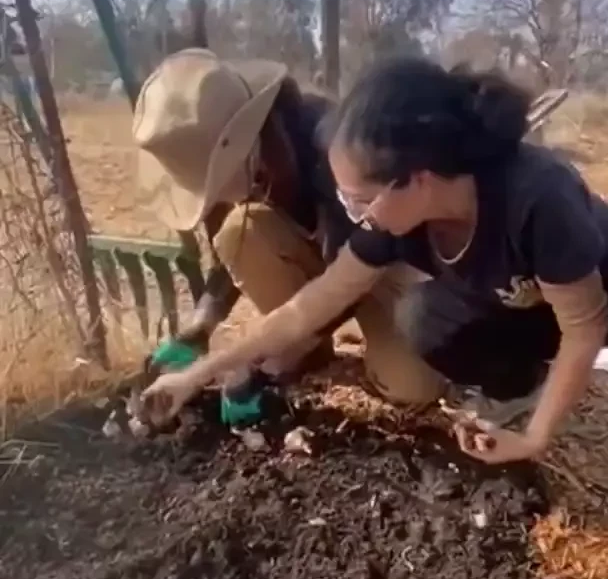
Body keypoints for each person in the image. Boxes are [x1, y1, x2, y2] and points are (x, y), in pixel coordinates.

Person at [141, 55, 608, 579]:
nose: (354, 213)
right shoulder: (399, 215)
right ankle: (513, 385)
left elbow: (585, 324)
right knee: (422, 315)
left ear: (416, 180)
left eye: (360, 199)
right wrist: (199, 372)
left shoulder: (535, 194)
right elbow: (308, 307)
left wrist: (535, 439)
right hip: (526, 305)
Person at [132, 47, 443, 404]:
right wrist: (200, 327)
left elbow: (345, 286)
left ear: (255, 137)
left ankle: (299, 346)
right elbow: (226, 259)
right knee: (234, 235)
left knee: (413, 386)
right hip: (329, 277)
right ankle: (307, 351)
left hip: (377, 272)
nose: (247, 190)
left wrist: (264, 367)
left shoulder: (339, 154)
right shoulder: (252, 164)